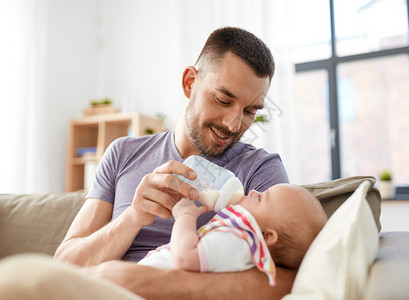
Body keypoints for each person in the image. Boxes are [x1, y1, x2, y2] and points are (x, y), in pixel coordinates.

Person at [0, 27, 295, 299]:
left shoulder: (260, 171)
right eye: (223, 99)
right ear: (190, 83)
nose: (233, 124)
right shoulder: (123, 154)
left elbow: (290, 278)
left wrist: (158, 283)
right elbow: (65, 264)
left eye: (250, 110)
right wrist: (133, 216)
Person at [138, 184, 328, 288]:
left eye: (260, 198)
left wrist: (185, 216)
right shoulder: (240, 240)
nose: (252, 191)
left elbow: (185, 258)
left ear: (268, 236)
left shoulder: (240, 240)